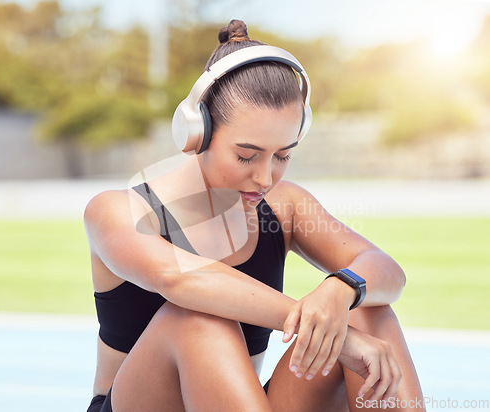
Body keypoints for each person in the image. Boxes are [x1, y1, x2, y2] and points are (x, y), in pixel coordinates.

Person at [84, 20, 424, 412]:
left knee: (365, 313)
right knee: (199, 319)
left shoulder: (284, 205)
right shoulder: (119, 210)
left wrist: (339, 291)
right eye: (246, 155)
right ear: (197, 132)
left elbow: (386, 271)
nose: (265, 178)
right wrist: (335, 335)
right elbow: (178, 278)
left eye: (283, 156)